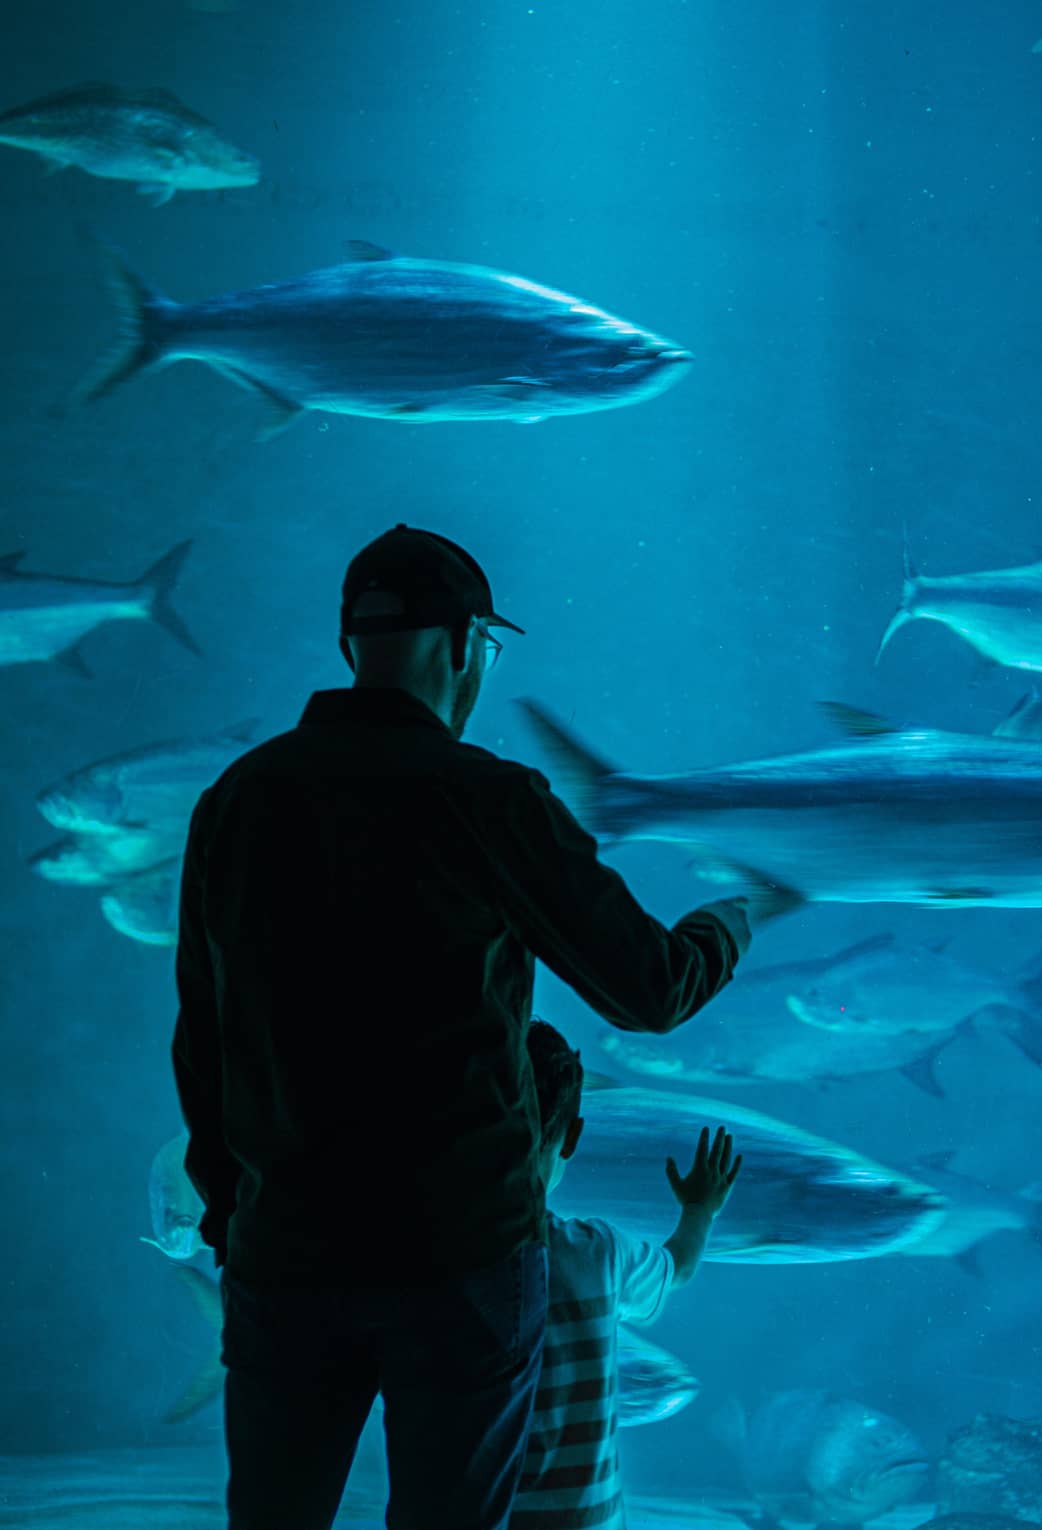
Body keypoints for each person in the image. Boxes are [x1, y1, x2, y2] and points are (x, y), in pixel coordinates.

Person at [170, 524, 759, 1530]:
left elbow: (202, 1040)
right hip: (460, 1261)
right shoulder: (486, 799)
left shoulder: (241, 797)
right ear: (466, 642)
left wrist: (235, 1219)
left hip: (288, 1250)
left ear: (353, 642)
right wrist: (726, 924)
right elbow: (650, 992)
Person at [514, 1019, 740, 1530]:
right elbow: (677, 1268)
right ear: (572, 1136)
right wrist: (700, 1209)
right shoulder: (598, 1256)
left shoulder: (433, 1261)